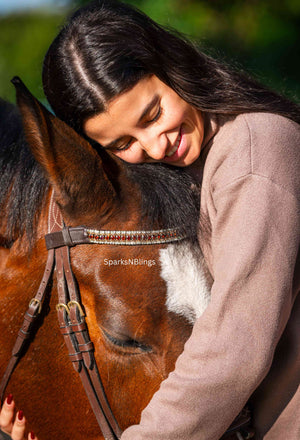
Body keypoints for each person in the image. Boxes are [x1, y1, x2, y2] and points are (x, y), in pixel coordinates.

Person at [1, 0, 299, 439]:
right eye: (123, 143)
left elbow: (235, 349)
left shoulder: (255, 152)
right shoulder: (178, 176)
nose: (155, 147)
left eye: (153, 114)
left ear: (171, 64)